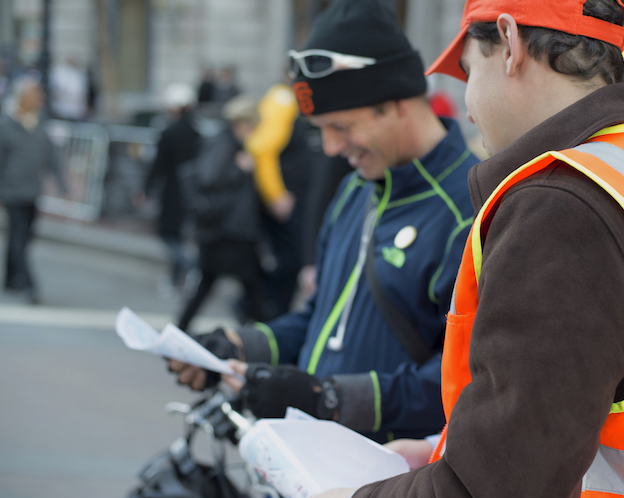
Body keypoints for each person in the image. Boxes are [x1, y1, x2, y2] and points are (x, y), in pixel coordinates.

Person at [293, 0, 624, 498]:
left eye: (469, 70)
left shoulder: (561, 207)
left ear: (510, 43)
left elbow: (490, 496)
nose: (467, 104)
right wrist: (440, 451)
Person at [170, 0, 478, 445]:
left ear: (396, 103)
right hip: (313, 466)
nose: (331, 148)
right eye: (320, 130)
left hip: (388, 483)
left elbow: (466, 381)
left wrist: (328, 397)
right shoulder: (357, 188)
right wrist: (235, 347)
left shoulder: (468, 207)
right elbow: (321, 318)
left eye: (342, 127)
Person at [176, 95, 263, 332]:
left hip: (227, 229)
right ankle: (260, 330)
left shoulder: (230, 142)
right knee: (247, 284)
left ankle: (256, 327)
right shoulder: (224, 143)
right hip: (225, 230)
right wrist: (239, 169)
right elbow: (208, 177)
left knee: (217, 284)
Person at [244, 80, 314, 319]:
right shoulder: (283, 100)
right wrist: (276, 196)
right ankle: (265, 311)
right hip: (285, 200)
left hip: (291, 198)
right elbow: (263, 149)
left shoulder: (285, 101)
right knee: (290, 260)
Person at [0, 78, 66, 303]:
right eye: (35, 94)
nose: (40, 98)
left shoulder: (39, 124)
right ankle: (29, 284)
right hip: (11, 190)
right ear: (23, 97)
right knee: (19, 237)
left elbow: (52, 158)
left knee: (23, 237)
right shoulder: (7, 124)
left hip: (32, 191)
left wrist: (63, 185)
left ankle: (10, 279)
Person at [142, 83, 201, 292]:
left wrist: (146, 189)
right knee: (178, 234)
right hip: (191, 192)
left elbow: (158, 165)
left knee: (169, 233)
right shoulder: (196, 133)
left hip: (173, 191)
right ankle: (178, 276)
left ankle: (188, 267)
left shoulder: (169, 133)